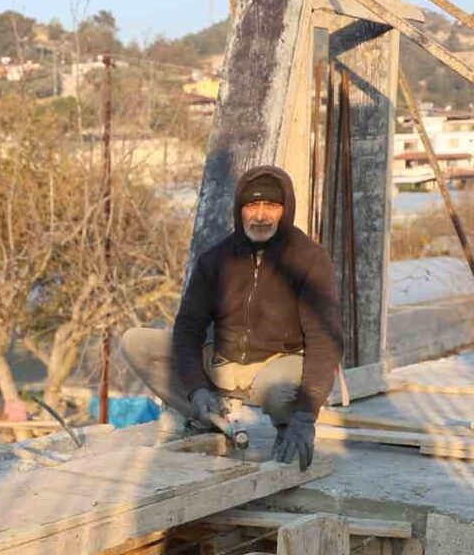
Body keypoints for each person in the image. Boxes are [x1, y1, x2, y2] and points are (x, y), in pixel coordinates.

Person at [121, 165, 342, 470]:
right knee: (136, 342)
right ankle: (208, 417)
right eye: (252, 205)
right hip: (223, 364)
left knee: (281, 392)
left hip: (274, 364)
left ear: (285, 210)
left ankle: (288, 430)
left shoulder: (310, 259)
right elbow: (188, 328)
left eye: (271, 206)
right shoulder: (216, 259)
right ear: (240, 210)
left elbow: (323, 339)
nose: (261, 216)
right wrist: (196, 386)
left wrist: (305, 416)